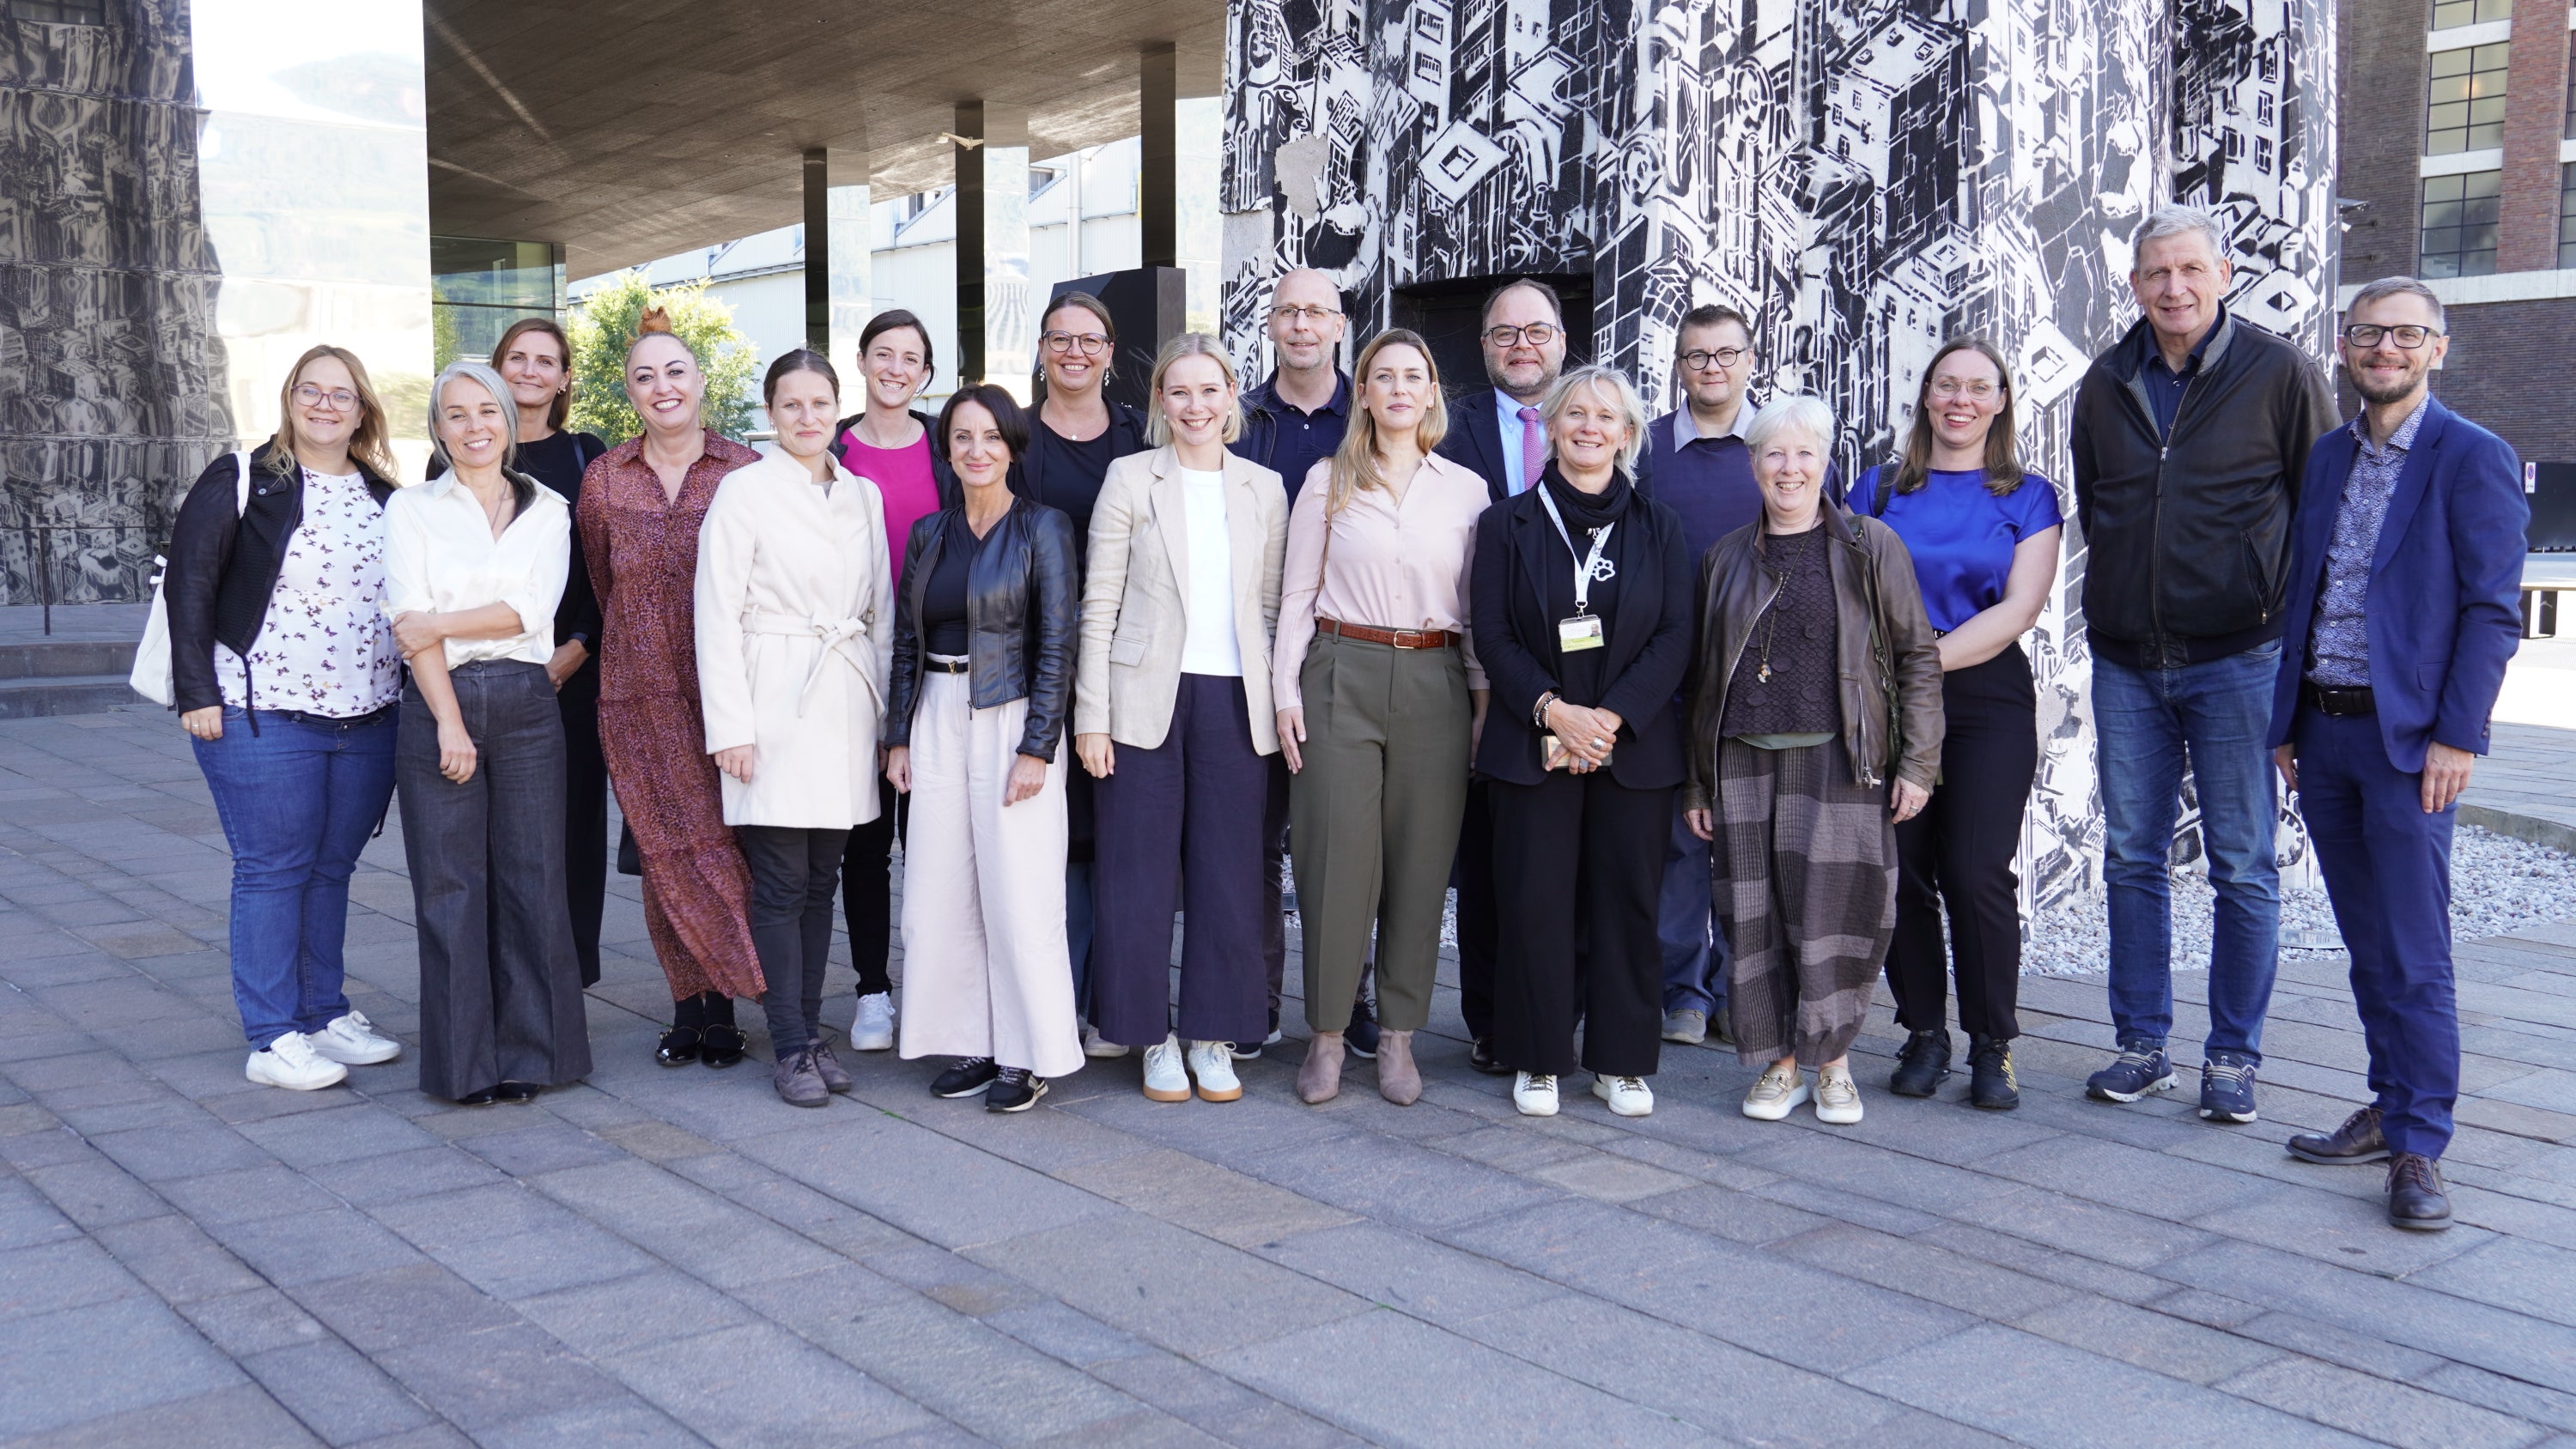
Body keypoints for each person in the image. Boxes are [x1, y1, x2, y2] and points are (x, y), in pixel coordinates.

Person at [2070, 203, 2339, 1125]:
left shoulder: (2282, 373)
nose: (2174, 288)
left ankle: (2232, 1057)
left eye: (2191, 269)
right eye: (2157, 273)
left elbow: (2321, 513)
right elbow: (2100, 505)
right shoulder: (2106, 381)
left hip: (2240, 659)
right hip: (2127, 662)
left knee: (2243, 866)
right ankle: (2142, 1046)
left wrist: (2297, 656)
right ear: (2135, 285)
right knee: (2131, 857)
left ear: (2224, 274)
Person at [2269, 277, 2526, 1230]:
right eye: (2370, 333)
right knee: (2369, 943)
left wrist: (2458, 734)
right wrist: (2286, 722)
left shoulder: (2473, 456)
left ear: (2438, 350)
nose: (2387, 348)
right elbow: (2308, 588)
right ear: (2344, 346)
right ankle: (2388, 1105)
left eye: (2408, 334)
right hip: (2323, 733)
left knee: (2416, 951)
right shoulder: (2329, 455)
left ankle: (2420, 1145)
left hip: (2410, 741)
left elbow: (2492, 610)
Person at [1685, 396, 1942, 1128]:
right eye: (1774, 454)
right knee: (1753, 917)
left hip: (1840, 759)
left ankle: (1833, 1063)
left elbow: (1917, 657)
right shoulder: (1724, 558)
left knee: (1838, 914)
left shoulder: (1870, 545)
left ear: (1827, 462)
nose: (1789, 468)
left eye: (1804, 454)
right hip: (1743, 762)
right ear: (1753, 465)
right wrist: (1697, 783)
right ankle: (1780, 1063)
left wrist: (1918, 765)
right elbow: (1703, 681)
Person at [167, 346, 406, 1091]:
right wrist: (196, 693)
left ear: (362, 411)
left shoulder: (387, 496)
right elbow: (189, 583)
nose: (326, 405)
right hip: (260, 710)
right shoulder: (242, 478)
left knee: (332, 868)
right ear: (290, 398)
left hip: (368, 714)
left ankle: (321, 1013)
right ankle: (272, 1037)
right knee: (273, 869)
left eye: (342, 395)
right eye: (312, 390)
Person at [1469, 365, 1696, 1119]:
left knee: (1626, 906)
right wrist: (1553, 711)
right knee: (1533, 903)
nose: (1589, 428)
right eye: (1575, 414)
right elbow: (1492, 635)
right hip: (1532, 746)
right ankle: (1537, 1057)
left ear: (1627, 435)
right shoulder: (1505, 524)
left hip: (1631, 751)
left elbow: (1675, 637)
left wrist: (1609, 720)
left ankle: (1620, 1062)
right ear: (1552, 429)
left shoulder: (1662, 528)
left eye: (1606, 417)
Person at [1274, 329, 1486, 1105]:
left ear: (1431, 393)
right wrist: (1284, 692)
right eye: (1383, 376)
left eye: (1413, 376)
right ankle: (1328, 1035)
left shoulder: (1466, 490)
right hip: (1342, 670)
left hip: (1436, 677)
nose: (1399, 388)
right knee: (1334, 859)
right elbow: (1298, 594)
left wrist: (1481, 704)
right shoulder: (1326, 480)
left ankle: (1398, 1036)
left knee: (1421, 865)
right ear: (1361, 392)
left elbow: (1475, 608)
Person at [1850, 339, 2063, 1111]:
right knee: (1900, 871)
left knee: (1976, 873)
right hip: (1888, 699)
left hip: (1985, 695)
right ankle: (1924, 1033)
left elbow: (2020, 609)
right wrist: (1897, 676)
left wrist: (1922, 662)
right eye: (1947, 386)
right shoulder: (1876, 488)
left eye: (1978, 388)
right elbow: (1847, 592)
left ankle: (1992, 1042)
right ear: (1927, 396)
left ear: (2001, 401)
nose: (1961, 401)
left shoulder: (2029, 496)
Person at [1076, 333, 1289, 1102]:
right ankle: (1148, 1036)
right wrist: (1091, 717)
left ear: (1232, 396)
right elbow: (1099, 602)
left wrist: (1278, 704)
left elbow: (1270, 608)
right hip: (1142, 702)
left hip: (1234, 702)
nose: (1195, 406)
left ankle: (1212, 1033)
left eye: (1209, 390)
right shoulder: (1131, 477)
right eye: (1180, 392)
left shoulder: (1265, 487)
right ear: (1161, 402)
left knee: (1229, 877)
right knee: (1135, 877)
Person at [386, 361, 588, 1105]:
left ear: (507, 419)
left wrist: (438, 621)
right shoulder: (411, 508)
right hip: (438, 700)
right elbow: (406, 625)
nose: (475, 426)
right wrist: (449, 722)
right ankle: (464, 1065)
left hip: (527, 700)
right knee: (449, 887)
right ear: (439, 429)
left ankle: (535, 1054)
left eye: (487, 411)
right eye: (457, 414)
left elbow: (530, 612)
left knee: (534, 878)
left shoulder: (550, 509)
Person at [696, 350, 894, 1107]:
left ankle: (810, 1034)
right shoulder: (743, 491)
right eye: (791, 405)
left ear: (838, 408)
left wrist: (886, 719)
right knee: (780, 881)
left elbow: (878, 611)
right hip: (772, 694)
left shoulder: (863, 494)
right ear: (770, 412)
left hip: (844, 697)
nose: (807, 418)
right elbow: (715, 613)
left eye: (820, 404)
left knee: (821, 881)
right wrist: (731, 729)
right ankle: (788, 1044)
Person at [577, 308, 766, 1067]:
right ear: (629, 392)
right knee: (663, 853)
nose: (663, 387)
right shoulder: (604, 479)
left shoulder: (745, 471)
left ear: (701, 380)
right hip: (637, 698)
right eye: (645, 376)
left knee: (722, 845)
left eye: (675, 371)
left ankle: (729, 1001)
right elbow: (602, 581)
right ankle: (688, 1007)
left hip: (726, 694)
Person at [888, 384, 1084, 1112]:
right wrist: (898, 735)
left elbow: (1059, 643)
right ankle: (971, 1040)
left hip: (1011, 716)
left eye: (991, 437)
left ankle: (1028, 1055)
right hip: (936, 716)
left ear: (1012, 447)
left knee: (1019, 893)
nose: (977, 450)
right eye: (963, 437)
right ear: (947, 448)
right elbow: (905, 640)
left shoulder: (1043, 527)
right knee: (938, 891)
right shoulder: (929, 533)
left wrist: (1038, 747)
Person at [1437, 276, 1569, 1074]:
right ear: (1484, 346)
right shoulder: (1446, 430)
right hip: (1480, 671)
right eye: (1505, 333)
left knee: (1571, 857)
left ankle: (1564, 1013)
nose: (1522, 345)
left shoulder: (1597, 418)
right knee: (1487, 858)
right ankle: (1489, 1020)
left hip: (1581, 677)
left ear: (1561, 342)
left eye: (1537, 331)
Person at [1018, 291, 1153, 1059]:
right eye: (1060, 339)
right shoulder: (1015, 435)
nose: (1075, 351)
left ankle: (1111, 999)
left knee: (1118, 829)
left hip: (1125, 656)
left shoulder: (1141, 435)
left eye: (1090, 339)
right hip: (1036, 657)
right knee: (1055, 833)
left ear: (1110, 351)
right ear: (1041, 350)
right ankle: (1057, 995)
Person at [1235, 268, 1361, 1058]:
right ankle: (1255, 1003)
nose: (1302, 325)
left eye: (1317, 312)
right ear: (1272, 325)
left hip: (1349, 652)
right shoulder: (1240, 420)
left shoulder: (1372, 416)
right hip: (1249, 647)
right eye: (1288, 312)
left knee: (1348, 836)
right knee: (1255, 834)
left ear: (1340, 325)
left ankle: (1350, 1001)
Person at [1635, 304, 1765, 1050]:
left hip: (1761, 677)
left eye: (1725, 354)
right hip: (1671, 675)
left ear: (1750, 359)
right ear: (1678, 366)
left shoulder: (1781, 444)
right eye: (1696, 356)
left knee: (1748, 836)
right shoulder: (1647, 450)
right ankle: (1682, 989)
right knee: (1681, 838)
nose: (1711, 367)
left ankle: (1741, 987)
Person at [829, 310, 953, 1054]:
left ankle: (938, 987)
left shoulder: (946, 445)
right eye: (884, 354)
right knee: (866, 841)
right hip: (854, 662)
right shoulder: (833, 448)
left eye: (911, 358)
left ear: (926, 374)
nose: (896, 369)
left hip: (936, 663)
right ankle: (873, 990)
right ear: (862, 362)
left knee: (933, 838)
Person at [489, 318, 613, 988]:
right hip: (487, 674)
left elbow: (603, 568)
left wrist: (576, 649)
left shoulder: (587, 456)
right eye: (518, 358)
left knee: (572, 830)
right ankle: (504, 977)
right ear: (498, 368)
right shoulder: (461, 451)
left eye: (546, 361)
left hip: (571, 674)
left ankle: (567, 980)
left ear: (565, 378)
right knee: (498, 835)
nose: (530, 371)